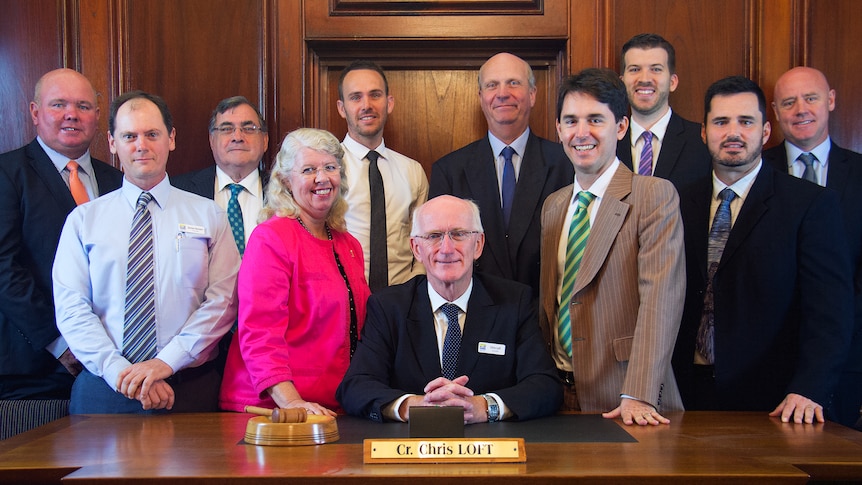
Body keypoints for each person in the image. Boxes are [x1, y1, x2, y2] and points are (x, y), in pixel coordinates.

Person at [672, 76, 853, 424]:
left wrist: (809, 388)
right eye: (721, 122)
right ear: (704, 132)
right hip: (684, 394)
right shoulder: (677, 199)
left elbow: (830, 313)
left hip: (774, 401)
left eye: (746, 121)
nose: (733, 132)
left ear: (766, 131)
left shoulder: (809, 205)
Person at [53, 91, 240, 414]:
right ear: (112, 142)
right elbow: (72, 309)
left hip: (189, 390)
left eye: (152, 134)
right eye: (130, 136)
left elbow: (224, 301)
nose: (141, 145)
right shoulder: (84, 220)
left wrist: (164, 363)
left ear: (171, 138)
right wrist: (121, 373)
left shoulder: (209, 215)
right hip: (105, 390)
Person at [539, 68, 685, 426]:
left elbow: (661, 301)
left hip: (628, 397)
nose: (581, 133)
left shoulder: (653, 195)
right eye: (570, 121)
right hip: (558, 395)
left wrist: (638, 393)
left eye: (595, 120)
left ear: (621, 127)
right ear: (558, 130)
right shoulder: (554, 205)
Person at [337, 195, 561, 423]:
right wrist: (413, 406)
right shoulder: (388, 307)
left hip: (491, 449)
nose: (446, 248)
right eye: (434, 236)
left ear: (479, 244)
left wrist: (485, 406)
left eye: (459, 234)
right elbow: (356, 387)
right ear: (416, 248)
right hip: (411, 450)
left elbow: (545, 385)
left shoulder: (515, 302)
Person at [219, 128, 371, 416]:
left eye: (330, 167)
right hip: (273, 409)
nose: (322, 178)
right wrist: (291, 402)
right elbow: (259, 331)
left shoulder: (348, 244)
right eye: (308, 169)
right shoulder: (271, 238)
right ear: (286, 181)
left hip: (330, 409)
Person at [0, 68, 123, 401]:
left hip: (114, 366)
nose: (72, 114)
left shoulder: (117, 180)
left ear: (97, 117)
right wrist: (61, 344)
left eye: (83, 106)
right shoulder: (7, 173)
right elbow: (5, 271)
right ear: (35, 112)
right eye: (59, 105)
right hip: (36, 371)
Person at [762, 66, 862, 429]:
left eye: (811, 98)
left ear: (831, 100)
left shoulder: (860, 174)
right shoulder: (754, 171)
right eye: (788, 102)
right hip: (764, 362)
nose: (800, 109)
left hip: (846, 361)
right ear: (774, 112)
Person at [429, 52, 573, 297]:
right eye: (492, 85)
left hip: (545, 313)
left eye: (513, 83)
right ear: (481, 97)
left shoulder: (566, 164)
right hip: (478, 313)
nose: (503, 93)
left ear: (533, 94)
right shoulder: (450, 170)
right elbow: (441, 253)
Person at [337, 60, 428, 291]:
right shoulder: (327, 171)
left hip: (400, 305)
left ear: (389, 103)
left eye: (375, 95)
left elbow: (423, 240)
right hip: (341, 301)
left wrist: (412, 290)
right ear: (341, 108)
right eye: (356, 97)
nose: (366, 105)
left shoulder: (412, 171)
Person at [172, 96, 270, 256]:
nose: (237, 137)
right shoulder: (179, 190)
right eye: (226, 129)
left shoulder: (287, 192)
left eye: (249, 128)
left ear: (265, 140)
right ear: (212, 140)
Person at [616, 33, 710, 191]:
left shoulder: (702, 141)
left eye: (656, 69)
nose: (644, 78)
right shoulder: (606, 142)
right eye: (635, 69)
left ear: (672, 82)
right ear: (622, 82)